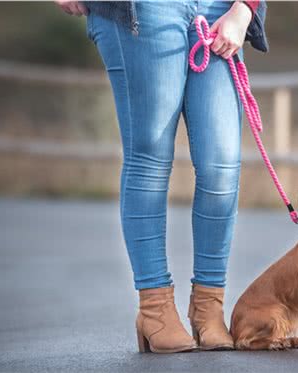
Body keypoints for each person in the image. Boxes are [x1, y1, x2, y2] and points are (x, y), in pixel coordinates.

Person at [55, 0, 268, 353]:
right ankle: (155, 311)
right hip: (144, 9)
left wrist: (245, 9)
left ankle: (208, 308)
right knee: (150, 158)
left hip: (220, 8)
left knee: (221, 166)